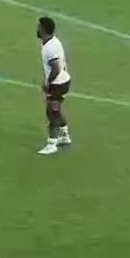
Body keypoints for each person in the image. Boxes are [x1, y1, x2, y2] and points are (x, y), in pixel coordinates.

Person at [35, 16, 74, 155]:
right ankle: (64, 136)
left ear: (44, 29)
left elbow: (56, 68)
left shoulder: (49, 47)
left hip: (58, 83)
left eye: (39, 26)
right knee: (55, 111)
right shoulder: (51, 42)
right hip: (62, 81)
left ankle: (52, 144)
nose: (37, 28)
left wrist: (47, 83)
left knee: (51, 112)